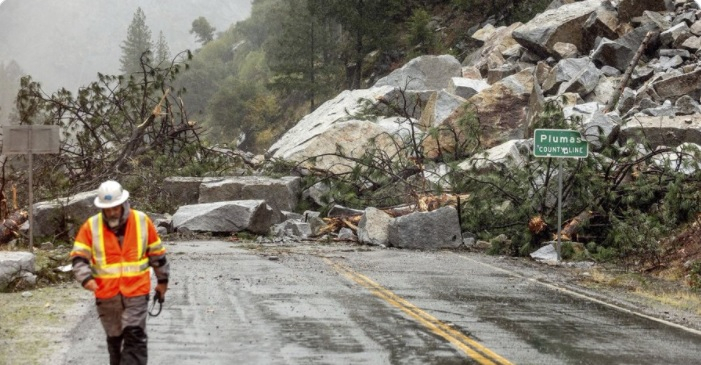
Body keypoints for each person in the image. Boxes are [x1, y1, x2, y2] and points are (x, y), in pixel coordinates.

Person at [70, 180, 170, 365]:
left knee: (135, 339)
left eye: (115, 208)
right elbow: (79, 258)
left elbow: (157, 254)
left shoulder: (141, 221)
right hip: (106, 297)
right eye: (108, 209)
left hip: (136, 293)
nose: (112, 212)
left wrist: (162, 281)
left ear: (124, 203)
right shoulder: (91, 226)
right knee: (114, 341)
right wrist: (86, 279)